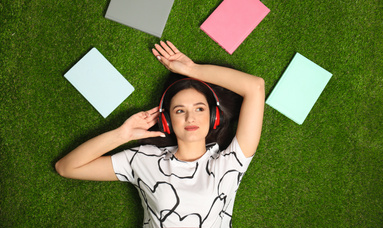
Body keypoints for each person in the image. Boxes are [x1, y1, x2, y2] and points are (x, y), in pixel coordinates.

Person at [55, 41, 265, 227]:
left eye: (200, 109)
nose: (190, 118)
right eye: (179, 110)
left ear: (213, 118)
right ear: (167, 121)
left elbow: (255, 87)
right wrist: (123, 135)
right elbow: (66, 167)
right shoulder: (143, 159)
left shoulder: (230, 162)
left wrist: (192, 69)